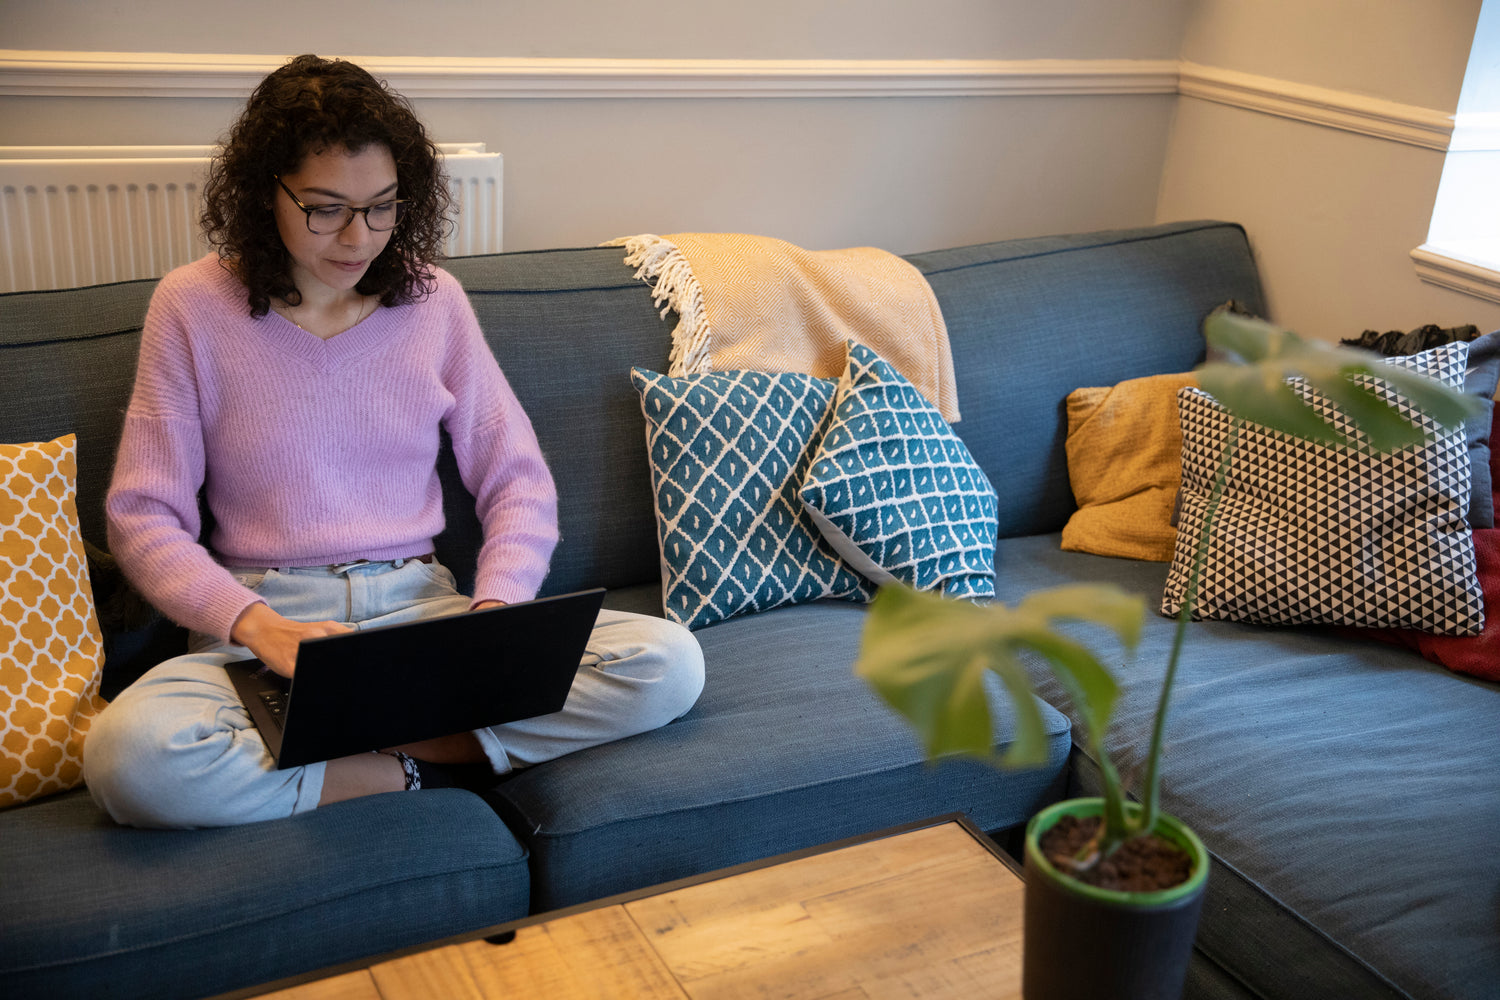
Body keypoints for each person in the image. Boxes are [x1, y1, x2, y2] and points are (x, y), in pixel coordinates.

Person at [83, 55, 704, 829]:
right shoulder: (191, 308)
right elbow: (141, 517)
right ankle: (417, 766)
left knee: (669, 664)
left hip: (420, 615)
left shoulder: (433, 302)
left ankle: (388, 751)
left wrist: (498, 613)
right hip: (265, 627)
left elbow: (518, 480)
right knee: (127, 759)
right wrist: (256, 625)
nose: (359, 237)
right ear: (262, 193)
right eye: (325, 208)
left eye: (382, 207)